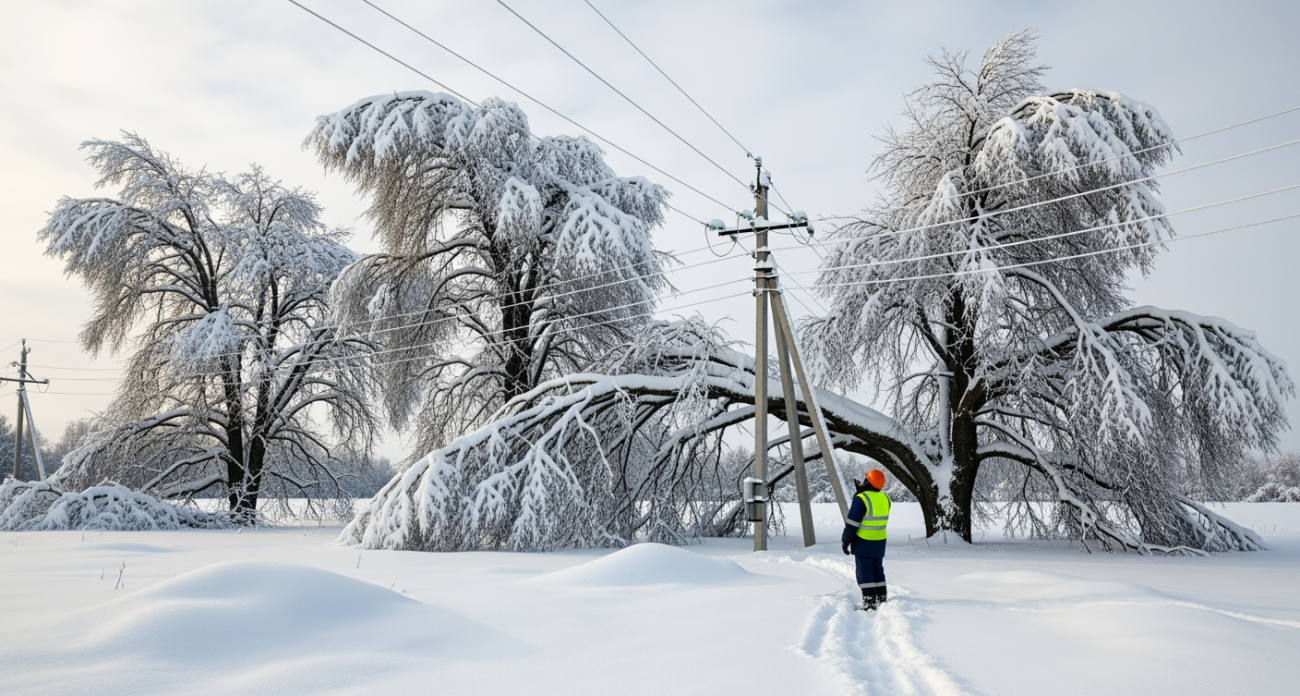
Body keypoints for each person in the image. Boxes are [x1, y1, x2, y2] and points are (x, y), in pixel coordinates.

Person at [841, 469, 891, 610]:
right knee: (877, 569)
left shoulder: (861, 499)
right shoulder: (885, 499)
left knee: (865, 571)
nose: (862, 483)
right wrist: (861, 492)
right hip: (880, 541)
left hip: (864, 541)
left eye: (865, 481)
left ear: (868, 482)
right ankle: (881, 598)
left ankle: (869, 603)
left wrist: (845, 541)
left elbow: (852, 523)